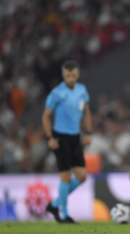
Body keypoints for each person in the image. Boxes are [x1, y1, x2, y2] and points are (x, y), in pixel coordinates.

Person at [42, 60, 92, 223]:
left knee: (82, 176)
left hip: (75, 136)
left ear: (77, 74)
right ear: (63, 75)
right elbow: (45, 116)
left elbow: (87, 112)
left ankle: (55, 204)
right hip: (60, 136)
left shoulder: (82, 90)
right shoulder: (57, 93)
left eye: (73, 75)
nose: (70, 78)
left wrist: (89, 132)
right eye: (67, 75)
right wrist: (50, 137)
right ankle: (64, 215)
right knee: (65, 176)